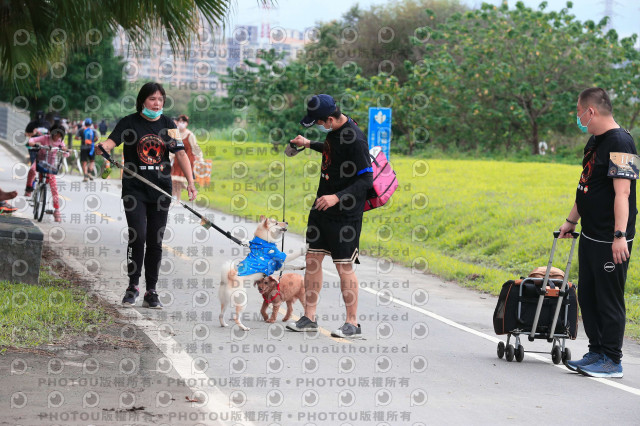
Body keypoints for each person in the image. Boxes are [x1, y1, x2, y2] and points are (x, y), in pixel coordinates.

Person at [96, 82, 197, 309]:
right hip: (135, 190)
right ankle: (133, 286)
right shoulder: (129, 122)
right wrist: (102, 148)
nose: (157, 103)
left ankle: (151, 291)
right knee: (138, 236)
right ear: (143, 101)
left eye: (160, 99)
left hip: (161, 190)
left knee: (155, 241)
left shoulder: (168, 124)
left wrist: (191, 182)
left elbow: (180, 153)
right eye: (153, 99)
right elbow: (109, 144)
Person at [560, 88, 637, 378]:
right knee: (589, 296)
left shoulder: (622, 143)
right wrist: (571, 220)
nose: (578, 118)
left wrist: (619, 235)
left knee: (608, 298)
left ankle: (612, 360)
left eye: (579, 112)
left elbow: (623, 192)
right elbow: (586, 185)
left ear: (590, 111)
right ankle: (596, 352)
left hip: (611, 237)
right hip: (591, 233)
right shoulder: (594, 141)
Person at [285, 94, 373, 339]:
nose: (319, 126)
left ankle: (352, 323)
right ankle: (309, 317)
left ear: (331, 119)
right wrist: (308, 143)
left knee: (344, 266)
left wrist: (337, 196)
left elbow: (366, 179)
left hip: (345, 214)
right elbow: (333, 151)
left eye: (320, 123)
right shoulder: (334, 132)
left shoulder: (355, 138)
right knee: (313, 260)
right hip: (321, 208)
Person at [25, 124, 69, 222]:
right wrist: (34, 144)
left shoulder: (60, 143)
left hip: (50, 166)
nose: (57, 137)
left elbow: (66, 153)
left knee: (54, 187)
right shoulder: (45, 138)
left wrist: (65, 151)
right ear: (51, 132)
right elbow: (32, 140)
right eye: (55, 134)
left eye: (59, 135)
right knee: (32, 169)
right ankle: (29, 188)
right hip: (40, 161)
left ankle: (57, 210)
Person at [170, 114, 203, 201]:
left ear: (187, 123)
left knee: (180, 181)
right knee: (174, 180)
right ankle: (175, 197)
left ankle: (178, 199)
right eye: (180, 121)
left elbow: (195, 147)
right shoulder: (175, 134)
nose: (181, 123)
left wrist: (200, 158)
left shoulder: (190, 135)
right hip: (177, 161)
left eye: (183, 122)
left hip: (187, 160)